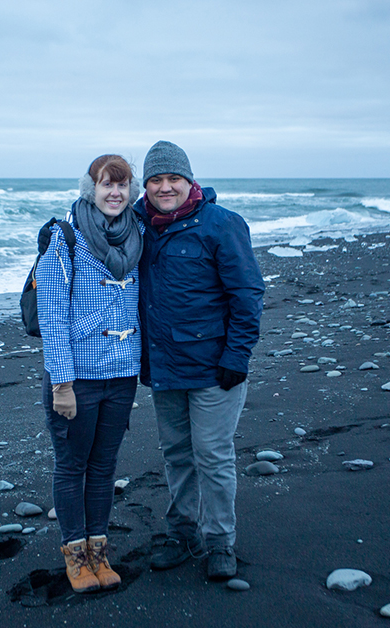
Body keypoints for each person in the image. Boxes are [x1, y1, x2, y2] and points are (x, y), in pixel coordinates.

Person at [133, 141, 265, 580]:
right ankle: (182, 532)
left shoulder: (222, 224)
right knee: (176, 455)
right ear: (146, 185)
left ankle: (220, 542)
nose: (165, 187)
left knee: (212, 454)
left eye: (174, 178)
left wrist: (238, 355)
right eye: (156, 179)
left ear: (190, 181)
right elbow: (96, 221)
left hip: (215, 368)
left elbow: (247, 295)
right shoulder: (138, 226)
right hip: (164, 365)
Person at [36, 154, 144, 593]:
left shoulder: (139, 233)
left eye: (122, 185)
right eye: (106, 185)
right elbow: (52, 311)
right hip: (75, 378)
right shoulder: (64, 236)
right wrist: (61, 382)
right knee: (71, 465)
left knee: (103, 467)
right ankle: (75, 557)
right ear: (91, 189)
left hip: (121, 374)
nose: (115, 193)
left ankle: (100, 553)